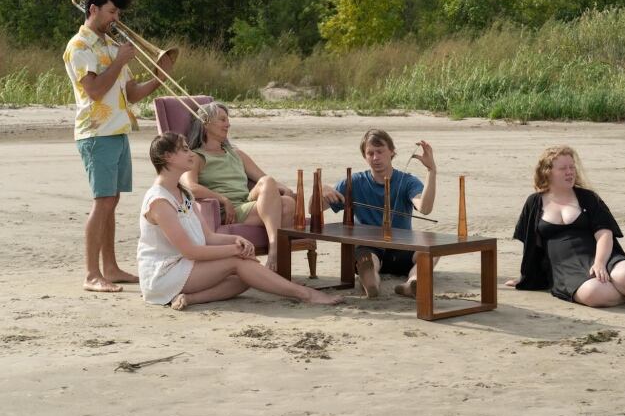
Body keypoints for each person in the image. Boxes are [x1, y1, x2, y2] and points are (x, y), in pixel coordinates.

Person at [137, 132, 343, 309]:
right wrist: (234, 251)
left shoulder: (184, 194)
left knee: (246, 278)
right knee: (239, 263)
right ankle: (305, 294)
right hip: (163, 275)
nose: (191, 153)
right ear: (167, 157)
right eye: (184, 150)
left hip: (186, 265)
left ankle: (190, 298)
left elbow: (207, 236)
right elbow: (190, 251)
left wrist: (236, 240)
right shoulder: (159, 201)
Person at [63, 0, 172, 292]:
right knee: (103, 201)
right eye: (112, 12)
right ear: (93, 9)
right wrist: (121, 60)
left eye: (119, 13)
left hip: (118, 130)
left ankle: (109, 268)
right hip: (95, 133)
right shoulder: (79, 46)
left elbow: (132, 94)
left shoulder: (111, 46)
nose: (116, 19)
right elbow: (95, 90)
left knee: (112, 201)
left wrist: (159, 77)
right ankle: (91, 274)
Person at [507, 145, 625, 307]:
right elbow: (531, 244)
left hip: (599, 256)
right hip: (566, 267)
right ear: (547, 172)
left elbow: (605, 233)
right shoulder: (534, 202)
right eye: (563, 168)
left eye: (572, 167)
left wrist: (600, 263)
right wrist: (527, 277)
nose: (570, 172)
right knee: (594, 294)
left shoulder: (588, 198)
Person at [317, 129, 436, 298]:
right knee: (367, 260)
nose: (375, 158)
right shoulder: (354, 181)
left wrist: (431, 171)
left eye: (380, 152)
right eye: (370, 153)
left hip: (403, 248)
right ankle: (371, 285)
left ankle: (412, 283)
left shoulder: (408, 181)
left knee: (430, 251)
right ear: (364, 156)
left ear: (392, 151)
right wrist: (321, 190)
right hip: (369, 248)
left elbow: (425, 208)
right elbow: (313, 209)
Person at [181, 102, 295, 272]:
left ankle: (275, 254)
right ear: (205, 122)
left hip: (246, 203)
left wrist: (287, 189)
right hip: (229, 211)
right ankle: (276, 254)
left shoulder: (236, 154)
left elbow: (263, 178)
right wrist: (223, 199)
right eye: (222, 119)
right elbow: (190, 186)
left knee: (280, 193)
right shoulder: (197, 156)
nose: (228, 124)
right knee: (283, 202)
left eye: (228, 120)